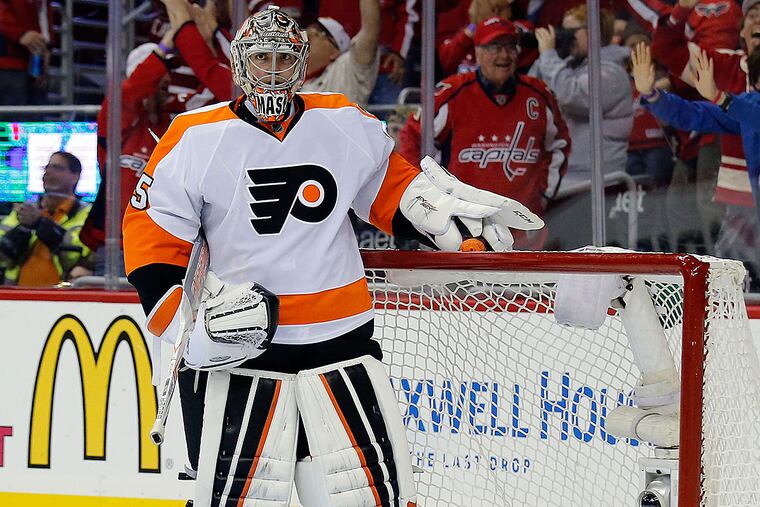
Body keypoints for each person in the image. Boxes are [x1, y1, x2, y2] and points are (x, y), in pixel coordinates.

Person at [122, 6, 542, 506]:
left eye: (283, 57)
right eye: (261, 59)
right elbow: (152, 240)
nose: (273, 71)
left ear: (301, 62)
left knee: (369, 498)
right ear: (240, 65)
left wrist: (448, 226)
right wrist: (186, 329)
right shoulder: (194, 137)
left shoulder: (342, 120)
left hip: (341, 341)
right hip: (244, 348)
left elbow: (391, 190)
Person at [400, 16, 571, 250]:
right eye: (495, 47)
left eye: (510, 47)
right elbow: (412, 137)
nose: (504, 55)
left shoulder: (538, 95)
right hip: (461, 224)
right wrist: (425, 196)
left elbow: (559, 144)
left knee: (521, 287)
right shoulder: (452, 93)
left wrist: (542, 196)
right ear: (477, 52)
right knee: (454, 285)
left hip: (521, 226)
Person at [633, 42, 760, 268]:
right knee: (734, 271)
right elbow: (695, 114)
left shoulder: (743, 107)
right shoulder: (748, 105)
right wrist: (652, 95)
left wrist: (723, 99)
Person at [80, 39, 174, 273]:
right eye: (157, 79)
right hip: (115, 244)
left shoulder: (172, 126)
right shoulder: (116, 117)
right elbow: (131, 91)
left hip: (156, 243)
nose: (166, 82)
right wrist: (165, 46)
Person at [530, 5, 632, 187]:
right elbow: (531, 94)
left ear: (594, 33)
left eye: (571, 32)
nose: (567, 37)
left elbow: (572, 96)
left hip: (599, 181)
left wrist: (549, 56)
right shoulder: (568, 67)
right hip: (567, 175)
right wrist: (547, 57)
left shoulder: (612, 72)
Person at [0, 151, 91, 286]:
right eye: (47, 168)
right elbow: (2, 256)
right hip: (17, 297)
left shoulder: (87, 214)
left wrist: (41, 223)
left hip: (62, 297)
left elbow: (74, 257)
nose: (48, 172)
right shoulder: (25, 211)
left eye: (57, 168)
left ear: (75, 177)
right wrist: (23, 229)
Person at [300, 0, 381, 106]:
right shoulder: (288, 75)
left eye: (316, 33)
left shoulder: (347, 69)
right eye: (306, 30)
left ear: (335, 51)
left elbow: (370, 30)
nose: (307, 35)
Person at [0, 0, 51, 114]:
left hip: (32, 64)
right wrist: (20, 34)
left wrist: (46, 49)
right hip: (8, 65)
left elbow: (44, 18)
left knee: (34, 119)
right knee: (11, 122)